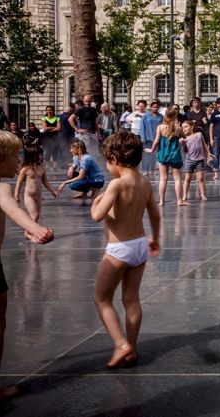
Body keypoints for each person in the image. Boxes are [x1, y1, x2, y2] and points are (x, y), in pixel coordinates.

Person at [90, 131, 161, 369]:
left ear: (114, 159)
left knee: (101, 298)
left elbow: (97, 216)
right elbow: (155, 214)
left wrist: (95, 203)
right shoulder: (144, 182)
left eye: (107, 161)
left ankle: (121, 344)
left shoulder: (117, 184)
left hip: (118, 249)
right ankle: (132, 348)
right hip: (140, 245)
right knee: (131, 299)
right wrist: (155, 238)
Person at [0, 131, 55, 400]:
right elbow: (12, 208)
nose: (19, 161)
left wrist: (32, 229)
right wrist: (36, 228)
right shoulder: (1, 187)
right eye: (15, 156)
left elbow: (13, 211)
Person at [145, 109, 185, 206]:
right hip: (175, 155)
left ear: (165, 116)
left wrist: (151, 150)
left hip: (163, 154)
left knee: (163, 178)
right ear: (175, 117)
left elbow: (156, 141)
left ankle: (162, 201)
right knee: (177, 179)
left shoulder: (160, 127)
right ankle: (179, 200)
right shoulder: (178, 128)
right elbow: (184, 137)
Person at [14, 145, 59, 222]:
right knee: (34, 215)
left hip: (38, 197)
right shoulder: (25, 170)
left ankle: (30, 231)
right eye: (38, 154)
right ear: (31, 156)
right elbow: (19, 183)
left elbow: (45, 182)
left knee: (36, 216)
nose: (40, 156)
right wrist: (16, 195)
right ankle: (31, 231)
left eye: (40, 154)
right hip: (29, 196)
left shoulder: (42, 169)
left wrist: (53, 191)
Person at [179, 120, 209, 203]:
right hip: (189, 160)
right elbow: (180, 143)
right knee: (187, 178)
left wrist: (209, 153)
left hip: (200, 159)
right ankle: (184, 194)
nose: (184, 129)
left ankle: (203, 194)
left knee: (201, 178)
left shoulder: (199, 135)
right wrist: (181, 141)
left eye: (186, 127)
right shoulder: (185, 139)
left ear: (192, 127)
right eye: (183, 128)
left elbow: (204, 145)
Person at [139, 100, 163, 175]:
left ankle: (152, 170)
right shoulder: (146, 116)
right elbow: (142, 127)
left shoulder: (161, 116)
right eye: (154, 107)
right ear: (151, 107)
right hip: (147, 138)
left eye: (157, 107)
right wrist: (143, 137)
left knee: (154, 155)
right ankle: (145, 170)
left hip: (157, 138)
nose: (155, 108)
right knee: (146, 155)